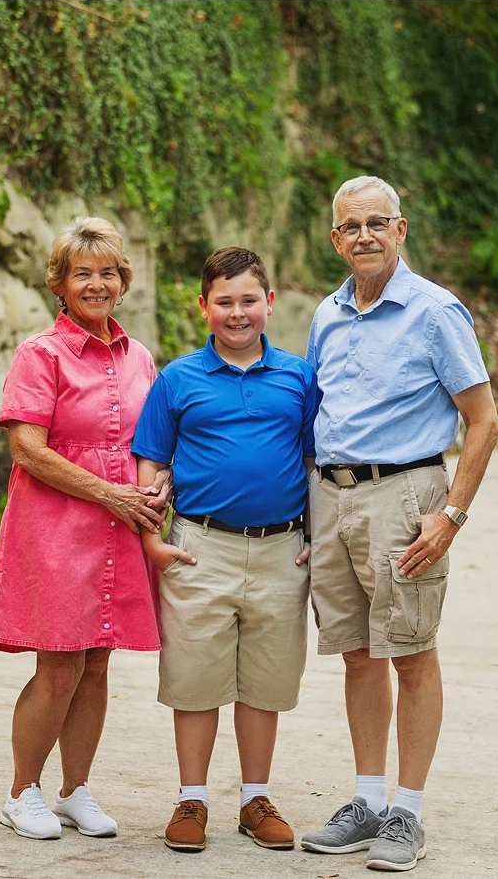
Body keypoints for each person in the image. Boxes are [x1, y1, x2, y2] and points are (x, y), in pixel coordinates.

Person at [296, 176, 498, 872]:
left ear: (402, 229)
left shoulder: (436, 312)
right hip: (333, 497)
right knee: (356, 653)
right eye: (351, 227)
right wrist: (305, 514)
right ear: (335, 239)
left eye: (377, 224)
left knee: (412, 651)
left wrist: (450, 516)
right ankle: (366, 801)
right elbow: (315, 417)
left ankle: (407, 814)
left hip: (406, 495)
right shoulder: (327, 314)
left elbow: (485, 421)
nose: (365, 237)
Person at [131, 249, 318, 854]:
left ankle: (254, 798)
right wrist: (153, 541)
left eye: (249, 300)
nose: (237, 313)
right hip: (199, 547)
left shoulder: (297, 376)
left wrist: (319, 534)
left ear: (269, 301)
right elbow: (151, 462)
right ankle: (193, 798)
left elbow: (316, 460)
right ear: (204, 307)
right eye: (224, 301)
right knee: (195, 678)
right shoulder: (178, 379)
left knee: (265, 681)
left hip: (280, 549)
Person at [0, 218, 165, 843]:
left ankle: (74, 790)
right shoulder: (40, 353)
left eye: (108, 272)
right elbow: (26, 449)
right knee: (59, 664)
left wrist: (156, 481)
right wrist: (109, 493)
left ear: (123, 282)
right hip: (56, 525)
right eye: (82, 273)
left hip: (122, 526)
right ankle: (21, 792)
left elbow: (153, 439)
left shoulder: (140, 355)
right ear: (59, 284)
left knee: (97, 664)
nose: (96, 283)